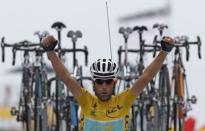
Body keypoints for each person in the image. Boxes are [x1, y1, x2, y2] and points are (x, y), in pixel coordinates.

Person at [42, 35, 174, 131]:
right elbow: (66, 77)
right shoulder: (86, 101)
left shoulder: (124, 101)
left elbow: (145, 77)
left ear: (115, 82)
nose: (104, 86)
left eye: (108, 81)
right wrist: (50, 52)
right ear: (94, 83)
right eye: (99, 81)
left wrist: (164, 52)